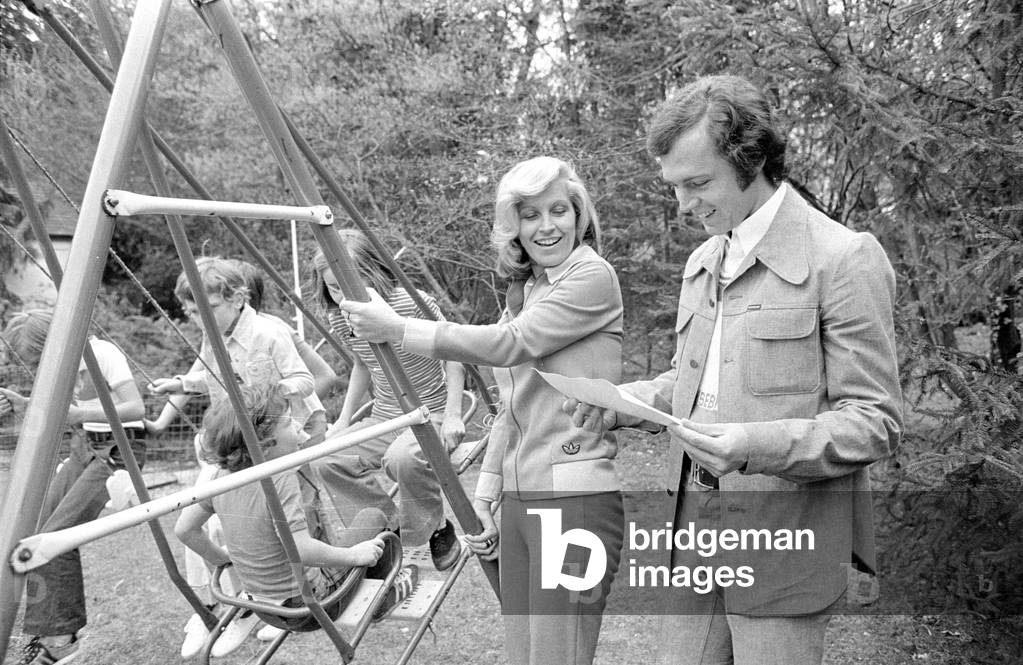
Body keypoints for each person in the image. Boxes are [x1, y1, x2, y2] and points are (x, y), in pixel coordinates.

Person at [565, 74, 903, 665]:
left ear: (753, 162)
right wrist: (624, 401)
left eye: (698, 184)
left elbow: (874, 421)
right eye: (674, 186)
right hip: (692, 529)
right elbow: (692, 386)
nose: (683, 206)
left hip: (784, 543)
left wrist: (752, 444)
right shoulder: (703, 260)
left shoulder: (843, 259)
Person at [338, 156, 625, 665]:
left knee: (559, 657)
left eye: (558, 209)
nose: (546, 225)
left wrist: (399, 329)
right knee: (523, 656)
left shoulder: (590, 276)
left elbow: (509, 345)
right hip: (520, 494)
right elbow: (510, 407)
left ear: (579, 213)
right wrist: (489, 494)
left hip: (572, 493)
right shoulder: (530, 289)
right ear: (512, 226)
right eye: (530, 215)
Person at [148, 256, 319, 657]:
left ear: (237, 297)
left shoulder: (267, 333)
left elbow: (306, 379)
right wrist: (179, 382)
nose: (198, 319)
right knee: (210, 518)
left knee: (292, 517)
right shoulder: (213, 336)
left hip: (276, 440)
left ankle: (292, 593)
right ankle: (240, 592)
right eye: (191, 313)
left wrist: (267, 394)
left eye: (207, 309)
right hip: (233, 444)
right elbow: (209, 376)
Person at [174, 383, 418, 633]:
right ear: (266, 443)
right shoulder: (279, 479)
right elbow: (302, 551)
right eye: (289, 423)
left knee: (315, 533)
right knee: (372, 516)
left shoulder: (221, 479)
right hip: (313, 606)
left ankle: (359, 577)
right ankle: (383, 595)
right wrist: (356, 555)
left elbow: (184, 529)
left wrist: (221, 558)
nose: (299, 427)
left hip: (266, 610)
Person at [309, 228, 466, 572]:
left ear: (372, 273)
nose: (341, 296)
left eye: (348, 285)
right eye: (333, 288)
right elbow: (362, 363)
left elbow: (454, 354)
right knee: (326, 459)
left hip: (429, 412)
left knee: (402, 459)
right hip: (385, 416)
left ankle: (435, 527)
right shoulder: (340, 316)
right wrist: (344, 420)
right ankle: (389, 525)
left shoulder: (410, 302)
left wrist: (453, 414)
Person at [0, 309, 145, 665]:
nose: (35, 367)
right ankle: (48, 631)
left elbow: (134, 406)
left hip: (119, 447)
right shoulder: (62, 367)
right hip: (86, 445)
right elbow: (62, 414)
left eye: (36, 357)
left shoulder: (101, 354)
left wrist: (80, 414)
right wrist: (25, 406)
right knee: (35, 527)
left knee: (57, 536)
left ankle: (62, 639)